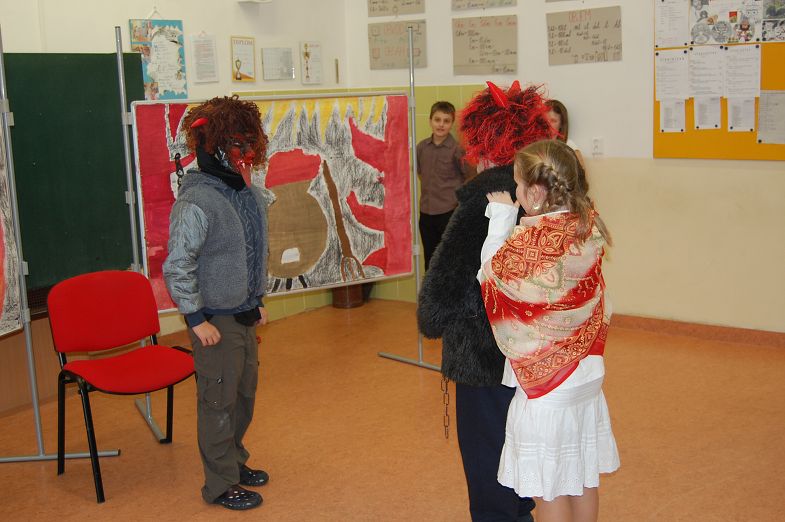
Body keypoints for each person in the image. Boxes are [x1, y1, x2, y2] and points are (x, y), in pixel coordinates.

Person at [417, 81, 553, 522]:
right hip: (533, 357)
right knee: (520, 451)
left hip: (482, 359)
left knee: (489, 460)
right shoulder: (544, 195)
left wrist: (432, 316)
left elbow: (436, 303)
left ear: (484, 144)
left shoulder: (481, 201)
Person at [478, 139, 620, 522]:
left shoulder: (534, 241)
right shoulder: (586, 223)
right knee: (581, 477)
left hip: (549, 386)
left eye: (518, 184)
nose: (515, 191)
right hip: (586, 373)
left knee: (551, 488)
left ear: (537, 193)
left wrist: (501, 218)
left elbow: (491, 275)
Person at [163, 95, 271, 511]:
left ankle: (234, 461)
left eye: (249, 144)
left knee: (243, 396)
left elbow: (253, 250)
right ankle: (220, 484)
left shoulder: (245, 192)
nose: (245, 154)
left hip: (244, 311)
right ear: (213, 146)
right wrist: (195, 318)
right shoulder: (196, 201)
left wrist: (257, 299)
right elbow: (178, 264)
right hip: (214, 320)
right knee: (218, 401)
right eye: (236, 145)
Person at [416, 101, 470, 270]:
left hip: (449, 212)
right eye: (437, 120)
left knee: (448, 260)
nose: (441, 124)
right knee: (429, 260)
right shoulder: (421, 148)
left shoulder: (457, 149)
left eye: (446, 121)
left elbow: (468, 177)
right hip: (426, 212)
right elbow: (421, 173)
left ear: (451, 123)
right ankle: (429, 289)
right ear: (430, 121)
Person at [546, 99, 586, 169]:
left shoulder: (570, 148)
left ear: (561, 124)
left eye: (553, 121)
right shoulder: (535, 146)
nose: (548, 124)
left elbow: (581, 175)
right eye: (545, 120)